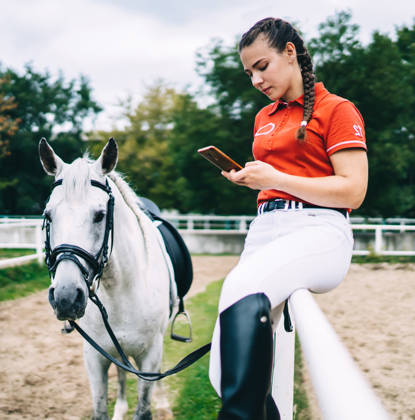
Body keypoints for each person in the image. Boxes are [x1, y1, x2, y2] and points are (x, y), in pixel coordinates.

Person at [208, 17, 368, 420]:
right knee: (220, 372)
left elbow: (353, 191)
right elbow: (278, 184)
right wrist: (255, 181)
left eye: (262, 66)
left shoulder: (338, 109)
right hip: (265, 229)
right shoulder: (263, 118)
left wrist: (276, 177)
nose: (256, 80)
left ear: (290, 53)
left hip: (318, 231)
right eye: (249, 73)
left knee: (241, 287)